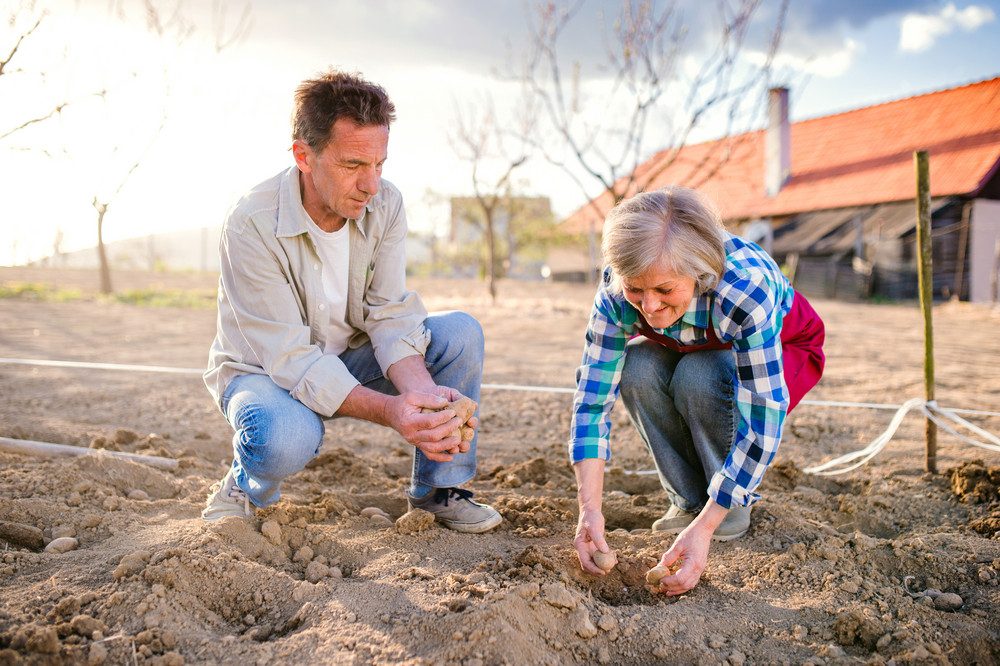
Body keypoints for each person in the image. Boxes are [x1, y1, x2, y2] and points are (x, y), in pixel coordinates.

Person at [201, 70, 501, 534]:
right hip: (265, 374)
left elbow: (389, 315)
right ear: (304, 155)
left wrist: (422, 399)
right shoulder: (251, 223)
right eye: (353, 165)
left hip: (351, 358)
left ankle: (439, 491)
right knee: (283, 438)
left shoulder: (386, 205)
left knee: (459, 333)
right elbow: (291, 359)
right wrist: (394, 412)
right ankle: (247, 484)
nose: (371, 185)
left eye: (379, 164)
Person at [569, 187, 825, 595]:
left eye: (665, 290)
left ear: (699, 274)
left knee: (701, 375)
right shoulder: (618, 293)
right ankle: (688, 500)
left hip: (781, 350)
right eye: (637, 289)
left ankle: (727, 507)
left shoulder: (744, 290)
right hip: (694, 343)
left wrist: (706, 530)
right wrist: (589, 510)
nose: (649, 307)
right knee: (636, 367)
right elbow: (592, 401)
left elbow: (764, 416)